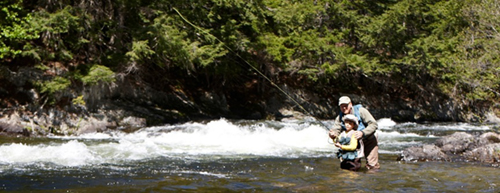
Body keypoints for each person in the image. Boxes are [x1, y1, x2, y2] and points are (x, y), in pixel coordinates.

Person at [329, 96, 380, 169]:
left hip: (369, 140)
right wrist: (333, 135)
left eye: (346, 106)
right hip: (354, 144)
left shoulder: (361, 111)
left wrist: (362, 133)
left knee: (372, 166)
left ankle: (372, 178)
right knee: (351, 167)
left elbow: (374, 124)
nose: (344, 108)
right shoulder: (340, 117)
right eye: (341, 106)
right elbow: (336, 130)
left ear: (350, 104)